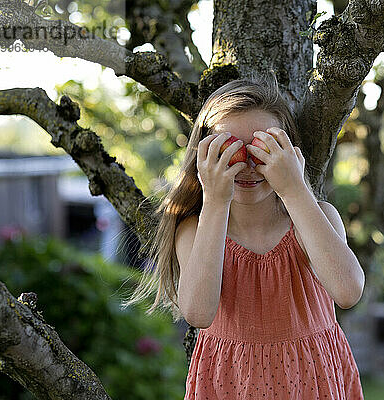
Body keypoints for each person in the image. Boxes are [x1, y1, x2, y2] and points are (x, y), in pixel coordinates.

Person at [127, 75, 365, 399]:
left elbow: (348, 290)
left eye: (263, 150)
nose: (247, 166)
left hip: (312, 381)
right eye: (228, 151)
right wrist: (215, 199)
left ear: (289, 155)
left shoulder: (315, 219)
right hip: (232, 384)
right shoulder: (195, 231)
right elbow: (197, 313)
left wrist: (294, 189)